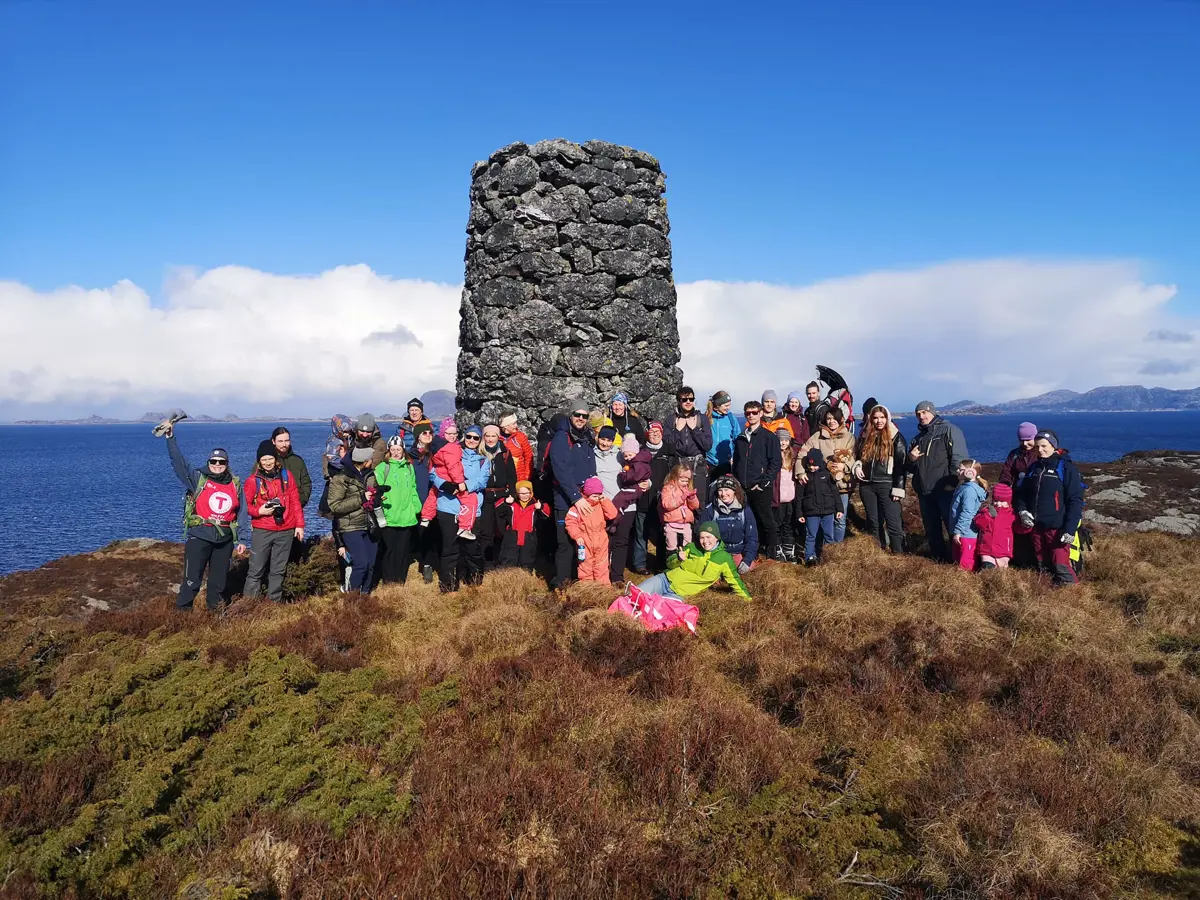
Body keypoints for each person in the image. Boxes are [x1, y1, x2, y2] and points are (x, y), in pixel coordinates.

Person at [163, 424, 244, 611]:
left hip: (224, 540)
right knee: (191, 582)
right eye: (213, 462)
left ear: (226, 464)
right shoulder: (198, 479)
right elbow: (179, 464)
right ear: (208, 463)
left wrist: (242, 538)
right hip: (200, 536)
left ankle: (213, 619)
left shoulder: (235, 484)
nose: (217, 465)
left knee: (218, 585)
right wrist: (170, 438)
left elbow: (243, 513)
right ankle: (181, 619)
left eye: (221, 462)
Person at [1014, 430, 1085, 586]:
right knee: (1042, 567)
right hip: (1036, 528)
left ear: (1054, 446)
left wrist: (1070, 529)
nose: (1040, 450)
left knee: (1061, 566)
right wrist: (1022, 511)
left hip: (1057, 528)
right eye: (1037, 446)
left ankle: (1076, 599)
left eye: (1044, 446)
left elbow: (1075, 500)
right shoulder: (1033, 468)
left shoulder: (1066, 468)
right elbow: (1021, 494)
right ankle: (1049, 599)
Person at [243, 439, 305, 602]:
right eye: (264, 459)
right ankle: (249, 605)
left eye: (270, 458)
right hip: (262, 530)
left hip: (286, 529)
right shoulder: (252, 481)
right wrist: (259, 511)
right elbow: (245, 507)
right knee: (255, 570)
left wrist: (299, 525)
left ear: (275, 458)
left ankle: (273, 605)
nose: (268, 462)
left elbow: (295, 502)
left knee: (278, 570)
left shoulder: (287, 476)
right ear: (259, 462)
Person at [907, 401, 968, 563]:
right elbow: (911, 468)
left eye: (924, 412)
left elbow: (959, 459)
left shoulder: (949, 430)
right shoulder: (918, 439)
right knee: (932, 529)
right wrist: (911, 459)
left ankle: (960, 560)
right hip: (925, 491)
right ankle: (939, 561)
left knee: (953, 527)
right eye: (918, 414)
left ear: (932, 412)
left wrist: (953, 484)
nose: (921, 416)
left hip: (945, 489)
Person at [432, 424, 491, 591]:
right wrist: (446, 485)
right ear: (463, 437)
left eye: (476, 438)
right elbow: (434, 473)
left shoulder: (483, 460)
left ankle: (475, 583)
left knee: (473, 549)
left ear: (480, 441)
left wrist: (464, 485)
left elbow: (482, 481)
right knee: (450, 549)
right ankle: (448, 586)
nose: (471, 440)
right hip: (448, 507)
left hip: (472, 511)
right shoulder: (452, 452)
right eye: (469, 436)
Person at [634, 521, 751, 601]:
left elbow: (734, 580)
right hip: (664, 580)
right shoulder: (692, 547)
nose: (705, 541)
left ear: (717, 537)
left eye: (709, 537)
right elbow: (669, 564)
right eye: (702, 537)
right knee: (634, 595)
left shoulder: (724, 558)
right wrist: (678, 558)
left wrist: (749, 600)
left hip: (679, 593)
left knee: (657, 614)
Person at [549, 401, 598, 588]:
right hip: (565, 499)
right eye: (577, 414)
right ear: (570, 415)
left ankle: (579, 580)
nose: (581, 418)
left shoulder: (585, 437)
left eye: (585, 416)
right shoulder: (562, 437)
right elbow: (560, 470)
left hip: (584, 499)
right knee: (565, 544)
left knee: (582, 541)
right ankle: (561, 583)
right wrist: (576, 497)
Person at [853, 404, 907, 552]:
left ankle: (899, 555)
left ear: (887, 418)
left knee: (893, 523)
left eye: (882, 417)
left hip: (887, 485)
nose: (879, 421)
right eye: (875, 418)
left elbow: (900, 465)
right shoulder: (865, 435)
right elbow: (857, 456)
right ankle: (878, 554)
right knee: (873, 522)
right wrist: (857, 466)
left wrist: (898, 489)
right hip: (867, 486)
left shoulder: (896, 437)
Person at [733, 400, 782, 561]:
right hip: (743, 488)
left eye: (755, 412)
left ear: (761, 413)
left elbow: (775, 462)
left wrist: (764, 483)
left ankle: (772, 555)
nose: (751, 415)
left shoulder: (769, 437)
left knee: (767, 521)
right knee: (749, 522)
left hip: (760, 487)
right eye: (748, 413)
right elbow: (737, 462)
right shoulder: (740, 438)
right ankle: (754, 553)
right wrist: (737, 483)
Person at [799, 407, 857, 543]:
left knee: (840, 519)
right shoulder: (817, 437)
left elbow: (854, 457)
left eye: (834, 418)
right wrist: (801, 472)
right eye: (829, 418)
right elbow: (802, 453)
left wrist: (845, 466)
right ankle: (822, 549)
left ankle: (836, 551)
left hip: (842, 484)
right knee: (822, 519)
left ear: (841, 419)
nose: (831, 421)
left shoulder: (849, 437)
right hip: (822, 485)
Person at [326, 447, 380, 593]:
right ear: (365, 461)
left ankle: (365, 596)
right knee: (361, 564)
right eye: (371, 459)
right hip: (350, 526)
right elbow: (335, 506)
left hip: (369, 524)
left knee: (371, 564)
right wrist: (361, 499)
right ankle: (352, 596)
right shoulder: (341, 478)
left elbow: (371, 494)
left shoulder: (369, 475)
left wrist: (378, 495)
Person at [419, 418, 478, 541]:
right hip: (450, 478)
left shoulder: (434, 447)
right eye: (449, 433)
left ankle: (425, 517)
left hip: (440, 475)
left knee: (433, 495)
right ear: (443, 433)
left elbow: (431, 467)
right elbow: (454, 467)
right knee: (470, 499)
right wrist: (460, 482)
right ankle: (464, 527)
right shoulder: (451, 448)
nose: (452, 436)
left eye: (455, 433)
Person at [374, 436, 421, 584]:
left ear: (403, 450)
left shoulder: (409, 467)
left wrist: (416, 506)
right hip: (389, 515)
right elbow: (377, 490)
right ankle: (388, 580)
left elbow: (413, 488)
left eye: (398, 449)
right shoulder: (383, 467)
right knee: (389, 550)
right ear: (389, 451)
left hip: (406, 515)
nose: (395, 452)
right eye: (393, 449)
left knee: (402, 550)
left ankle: (400, 580)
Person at [610, 435, 653, 583]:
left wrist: (623, 475)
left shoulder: (639, 463)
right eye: (625, 455)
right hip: (630, 489)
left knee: (620, 500)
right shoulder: (636, 461)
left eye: (629, 455)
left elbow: (634, 477)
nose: (627, 458)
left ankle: (615, 520)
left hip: (633, 489)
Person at [665, 385, 713, 509]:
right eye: (684, 399)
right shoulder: (671, 420)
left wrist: (695, 430)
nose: (688, 402)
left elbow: (707, 445)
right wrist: (677, 430)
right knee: (678, 502)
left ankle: (698, 529)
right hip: (678, 465)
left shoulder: (702, 419)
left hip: (698, 466)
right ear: (678, 401)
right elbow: (667, 445)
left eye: (691, 399)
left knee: (699, 505)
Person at [565, 476, 620, 583]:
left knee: (602, 566)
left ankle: (603, 590)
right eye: (595, 496)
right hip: (585, 541)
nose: (597, 498)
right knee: (586, 567)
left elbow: (612, 514)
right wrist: (577, 536)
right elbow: (570, 522)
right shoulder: (578, 507)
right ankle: (588, 588)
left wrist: (605, 501)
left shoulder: (601, 504)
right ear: (587, 494)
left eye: (600, 495)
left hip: (601, 540)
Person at [633, 420, 670, 574]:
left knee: (662, 533)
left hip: (662, 500)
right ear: (647, 433)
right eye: (652, 432)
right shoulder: (639, 451)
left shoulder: (669, 451)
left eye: (658, 431)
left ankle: (661, 563)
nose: (655, 434)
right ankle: (640, 564)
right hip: (642, 499)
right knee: (641, 533)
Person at [702, 475, 759, 574]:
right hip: (717, 553)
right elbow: (702, 537)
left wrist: (747, 560)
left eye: (727, 489)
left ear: (734, 491)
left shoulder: (745, 510)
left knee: (749, 571)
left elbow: (752, 538)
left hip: (738, 552)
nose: (723, 494)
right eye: (720, 490)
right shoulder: (710, 510)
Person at [478, 424, 517, 565]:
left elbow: (512, 475)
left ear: (498, 436)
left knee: (501, 530)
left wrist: (512, 494)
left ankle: (500, 560)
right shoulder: (478, 452)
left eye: (493, 436)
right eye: (487, 436)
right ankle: (486, 563)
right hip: (484, 496)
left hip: (502, 496)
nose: (490, 439)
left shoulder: (505, 452)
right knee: (486, 531)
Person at [798, 448, 841, 564]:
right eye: (810, 465)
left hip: (828, 511)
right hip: (811, 512)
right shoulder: (805, 477)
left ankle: (828, 557)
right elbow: (799, 497)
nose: (812, 468)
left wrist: (839, 509)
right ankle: (810, 558)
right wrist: (799, 513)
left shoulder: (827, 475)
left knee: (829, 535)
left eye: (815, 465)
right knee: (811, 535)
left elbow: (835, 492)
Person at [409, 422, 438, 584]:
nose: (428, 435)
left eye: (430, 433)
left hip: (433, 501)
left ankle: (428, 565)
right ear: (417, 436)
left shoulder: (435, 453)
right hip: (417, 501)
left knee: (433, 535)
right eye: (424, 433)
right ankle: (421, 563)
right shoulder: (411, 456)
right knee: (419, 535)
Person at [496, 480, 548, 571]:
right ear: (517, 493)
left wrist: (541, 508)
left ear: (531, 492)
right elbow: (498, 510)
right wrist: (505, 502)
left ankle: (525, 577)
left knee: (527, 559)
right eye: (521, 493)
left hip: (529, 536)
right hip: (512, 535)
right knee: (509, 558)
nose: (524, 495)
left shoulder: (536, 504)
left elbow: (547, 515)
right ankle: (507, 577)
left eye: (527, 493)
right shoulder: (512, 503)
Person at [949, 460, 988, 571]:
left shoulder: (969, 491)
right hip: (963, 531)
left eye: (960, 469)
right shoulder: (965, 487)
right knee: (958, 562)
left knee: (966, 565)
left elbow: (967, 512)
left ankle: (966, 585)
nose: (957, 471)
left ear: (971, 472)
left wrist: (958, 531)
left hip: (966, 533)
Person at [659, 463, 701, 554]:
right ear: (674, 477)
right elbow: (667, 504)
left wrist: (692, 498)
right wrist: (681, 498)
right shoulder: (668, 489)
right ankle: (671, 559)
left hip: (686, 523)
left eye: (687, 481)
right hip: (672, 522)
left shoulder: (687, 489)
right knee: (671, 545)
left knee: (688, 544)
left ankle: (686, 560)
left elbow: (695, 506)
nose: (685, 483)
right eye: (682, 480)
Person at [973, 483, 1016, 570]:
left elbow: (1019, 528)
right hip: (987, 550)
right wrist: (988, 515)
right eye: (996, 501)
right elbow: (978, 523)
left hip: (1003, 551)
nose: (998, 504)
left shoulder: (1012, 515)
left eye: (1002, 501)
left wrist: (1026, 525)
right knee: (987, 569)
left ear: (1008, 501)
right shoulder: (987, 511)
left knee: (1001, 573)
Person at [773, 430, 799, 562]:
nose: (783, 443)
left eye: (785, 440)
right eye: (780, 440)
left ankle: (789, 549)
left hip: (790, 498)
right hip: (777, 498)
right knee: (777, 524)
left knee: (788, 524)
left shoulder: (793, 456)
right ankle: (777, 549)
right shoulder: (772, 455)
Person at [270, 427, 312, 509]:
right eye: (280, 441)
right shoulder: (266, 461)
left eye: (286, 441)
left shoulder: (297, 461)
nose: (284, 444)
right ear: (273, 441)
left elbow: (306, 483)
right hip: (274, 511)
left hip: (296, 508)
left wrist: (302, 500)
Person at [705, 390, 738, 480]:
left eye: (729, 405)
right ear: (716, 407)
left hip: (726, 463)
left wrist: (734, 457)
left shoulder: (731, 418)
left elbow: (737, 439)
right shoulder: (706, 418)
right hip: (708, 462)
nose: (728, 408)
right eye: (726, 405)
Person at [999, 422, 1039, 487]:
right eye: (1022, 440)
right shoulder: (1014, 454)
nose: (1025, 443)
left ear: (1035, 438)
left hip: (1037, 493)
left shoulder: (1041, 453)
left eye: (1028, 440)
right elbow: (1007, 472)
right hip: (1018, 493)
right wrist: (1004, 485)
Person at [500, 412, 535, 483]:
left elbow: (528, 456)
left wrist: (526, 476)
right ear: (505, 426)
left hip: (519, 478)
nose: (516, 426)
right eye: (513, 424)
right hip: (502, 479)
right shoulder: (496, 438)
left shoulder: (520, 437)